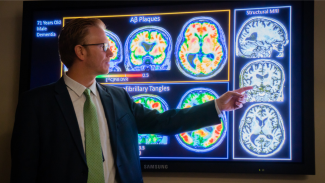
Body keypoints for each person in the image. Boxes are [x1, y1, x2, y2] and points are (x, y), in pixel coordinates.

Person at [11, 18, 252, 183]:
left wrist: (218, 106)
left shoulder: (118, 97)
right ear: (80, 52)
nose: (111, 52)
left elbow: (163, 123)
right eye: (104, 45)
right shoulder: (36, 104)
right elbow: (24, 171)